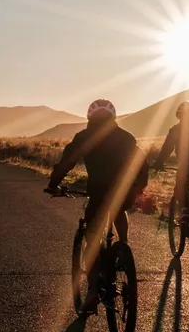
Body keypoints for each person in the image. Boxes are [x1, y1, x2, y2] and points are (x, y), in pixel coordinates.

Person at [45, 99, 148, 247]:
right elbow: (141, 161)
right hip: (125, 187)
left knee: (92, 225)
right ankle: (123, 247)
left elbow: (66, 163)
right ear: (113, 116)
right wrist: (140, 184)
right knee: (119, 209)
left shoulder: (83, 137)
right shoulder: (126, 137)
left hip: (97, 188)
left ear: (89, 116)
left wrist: (53, 184)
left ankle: (94, 261)